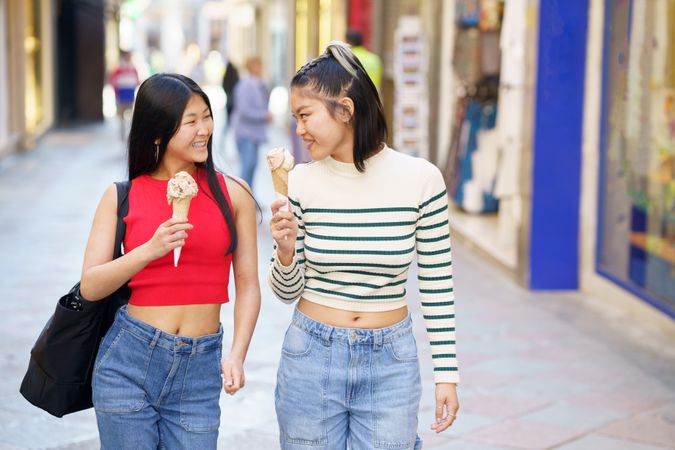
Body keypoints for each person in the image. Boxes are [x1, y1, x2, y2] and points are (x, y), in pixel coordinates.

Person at [268, 41, 459, 449]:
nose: (298, 130)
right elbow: (286, 293)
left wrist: (447, 374)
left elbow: (437, 284)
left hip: (391, 361)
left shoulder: (422, 180)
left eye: (305, 116)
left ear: (346, 110)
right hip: (311, 357)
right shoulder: (300, 182)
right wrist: (285, 252)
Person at [80, 73, 261, 449]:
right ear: (158, 133)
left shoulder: (235, 194)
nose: (204, 130)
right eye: (191, 121)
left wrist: (237, 355)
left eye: (206, 117)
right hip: (128, 363)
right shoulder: (120, 197)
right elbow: (91, 285)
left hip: (200, 367)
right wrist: (149, 249)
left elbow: (247, 284)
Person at [231, 56, 272, 189]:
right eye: (256, 65)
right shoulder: (245, 85)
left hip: (255, 133)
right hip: (245, 132)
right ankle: (242, 197)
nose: (259, 68)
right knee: (247, 166)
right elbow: (244, 110)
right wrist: (263, 116)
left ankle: (249, 197)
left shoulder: (260, 84)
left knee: (252, 166)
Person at [109, 51, 140, 140]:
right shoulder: (118, 69)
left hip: (129, 94)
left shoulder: (133, 68)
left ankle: (129, 134)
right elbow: (113, 81)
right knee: (122, 117)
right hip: (121, 94)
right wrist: (117, 94)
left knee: (130, 116)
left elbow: (137, 81)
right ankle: (123, 134)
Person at [222, 59, 240, 128]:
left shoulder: (227, 74)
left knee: (229, 111)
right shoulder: (235, 73)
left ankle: (229, 123)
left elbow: (224, 84)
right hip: (233, 96)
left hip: (229, 96)